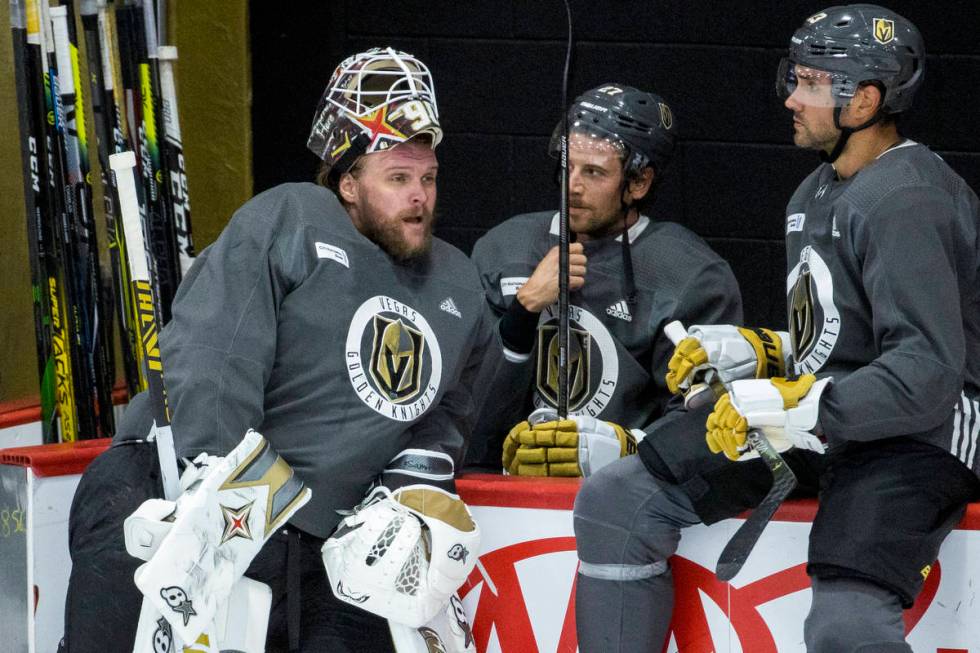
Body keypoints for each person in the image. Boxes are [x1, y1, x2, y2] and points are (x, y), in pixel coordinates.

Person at [572, 5, 980, 652]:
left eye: (812, 83)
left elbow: (927, 371)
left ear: (865, 98)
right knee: (617, 503)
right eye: (796, 76)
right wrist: (759, 351)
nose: (791, 96)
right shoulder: (815, 194)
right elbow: (844, 340)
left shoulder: (908, 200)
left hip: (920, 434)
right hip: (833, 418)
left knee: (845, 624)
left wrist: (800, 402)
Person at [61, 47, 491, 653]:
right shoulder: (293, 218)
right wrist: (215, 479)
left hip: (315, 540)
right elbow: (217, 349)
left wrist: (410, 480)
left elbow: (451, 407)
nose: (418, 196)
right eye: (397, 179)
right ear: (347, 183)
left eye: (427, 178)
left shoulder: (458, 284)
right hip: (168, 489)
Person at [464, 84, 743, 475]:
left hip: (625, 488)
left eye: (593, 172)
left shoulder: (691, 275)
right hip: (503, 485)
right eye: (567, 166)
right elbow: (468, 413)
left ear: (639, 182)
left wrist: (626, 448)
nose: (572, 185)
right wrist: (524, 309)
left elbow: (707, 421)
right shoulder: (504, 249)